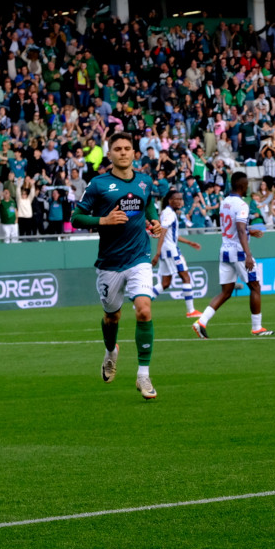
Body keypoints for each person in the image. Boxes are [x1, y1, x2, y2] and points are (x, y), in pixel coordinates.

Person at [71, 132, 164, 400]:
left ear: (135, 153)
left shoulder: (145, 181)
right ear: (109, 154)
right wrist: (103, 221)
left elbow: (149, 208)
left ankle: (143, 375)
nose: (123, 152)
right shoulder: (99, 184)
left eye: (127, 148)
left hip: (139, 258)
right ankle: (111, 351)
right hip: (109, 264)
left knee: (144, 311)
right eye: (117, 149)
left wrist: (154, 222)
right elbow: (77, 218)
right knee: (112, 316)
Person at [192, 172, 274, 338]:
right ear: (242, 186)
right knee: (255, 286)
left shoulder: (225, 202)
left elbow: (234, 227)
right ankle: (257, 328)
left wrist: (251, 230)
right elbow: (240, 229)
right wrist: (248, 254)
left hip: (225, 251)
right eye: (247, 185)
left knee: (226, 292)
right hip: (239, 253)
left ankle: (201, 322)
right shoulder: (242, 205)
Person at [152, 190, 203, 319]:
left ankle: (140, 301)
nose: (180, 201)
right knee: (185, 277)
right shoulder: (169, 214)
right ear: (170, 201)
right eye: (177, 199)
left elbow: (172, 235)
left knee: (165, 283)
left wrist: (189, 242)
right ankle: (191, 310)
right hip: (171, 251)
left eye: (181, 199)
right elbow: (162, 232)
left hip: (168, 250)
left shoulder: (168, 213)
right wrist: (157, 253)